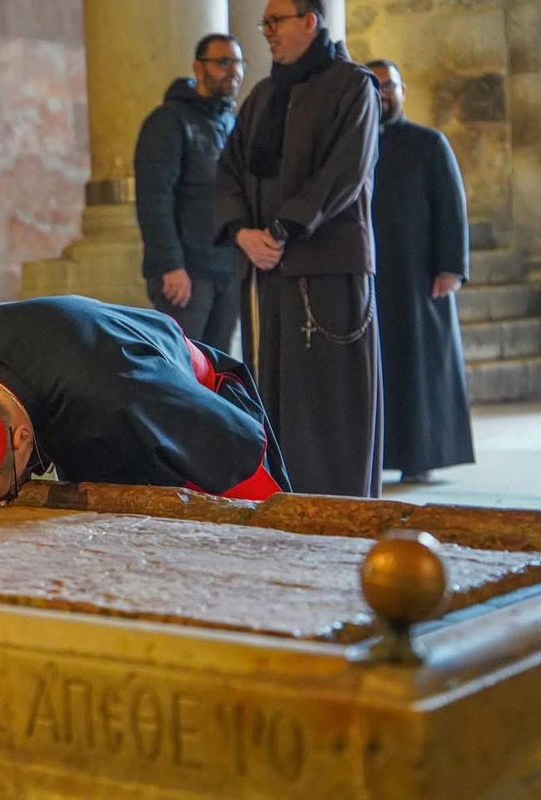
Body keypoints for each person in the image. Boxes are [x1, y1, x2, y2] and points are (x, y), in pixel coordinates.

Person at [214, 0, 382, 498]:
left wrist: (283, 230)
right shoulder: (264, 94)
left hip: (328, 268)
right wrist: (243, 232)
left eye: (275, 21)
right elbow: (228, 171)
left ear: (310, 22)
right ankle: (288, 499)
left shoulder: (354, 86)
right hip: (267, 269)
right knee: (279, 399)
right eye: (264, 22)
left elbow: (343, 173)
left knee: (331, 403)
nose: (265, 31)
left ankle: (341, 503)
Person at [0, 295, 290, 506]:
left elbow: (233, 447)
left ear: (20, 438)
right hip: (78, 397)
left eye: (9, 493)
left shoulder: (119, 390)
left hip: (182, 416)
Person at [368, 59, 474, 483]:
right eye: (374, 87)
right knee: (381, 368)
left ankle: (421, 456)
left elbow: (452, 207)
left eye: (389, 85)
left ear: (403, 90)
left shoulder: (429, 143)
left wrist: (451, 266)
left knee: (419, 367)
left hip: (418, 275)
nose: (382, 94)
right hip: (373, 274)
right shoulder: (353, 145)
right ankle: (376, 456)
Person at [135, 34, 245, 351]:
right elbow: (155, 198)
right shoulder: (169, 121)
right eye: (223, 62)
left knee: (218, 368)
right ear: (199, 68)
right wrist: (170, 265)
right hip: (186, 273)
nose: (233, 71)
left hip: (226, 268)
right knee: (184, 367)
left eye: (238, 63)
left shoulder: (232, 124)